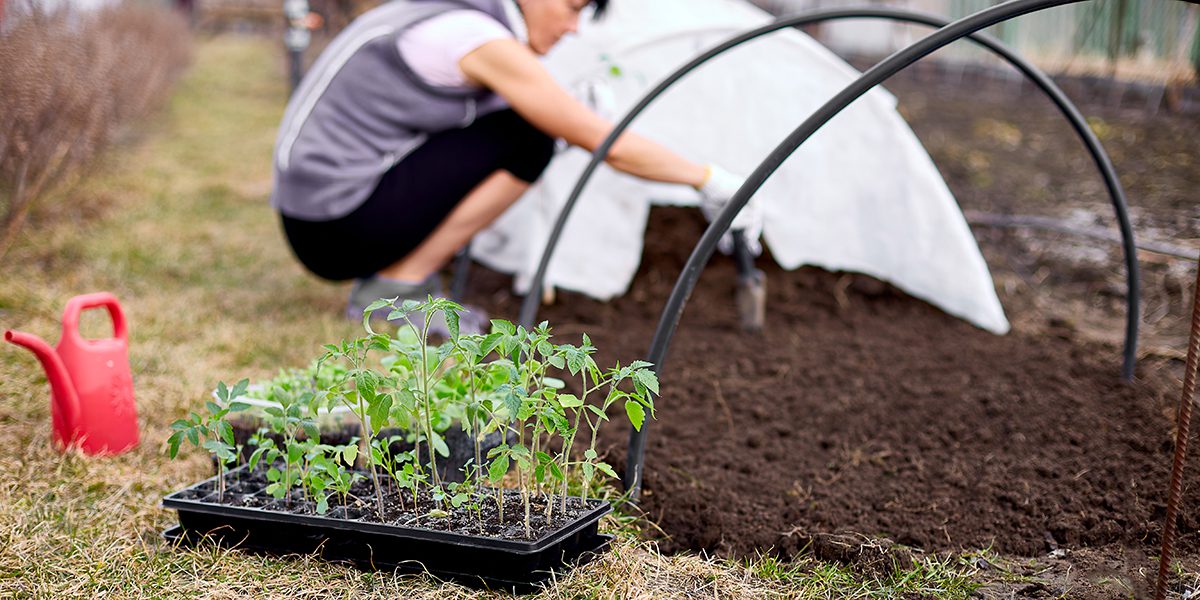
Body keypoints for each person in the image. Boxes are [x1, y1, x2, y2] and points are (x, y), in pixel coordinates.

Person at [270, 0, 762, 328]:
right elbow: (605, 143)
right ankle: (395, 292)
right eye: (572, 8)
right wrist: (707, 178)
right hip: (333, 226)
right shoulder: (476, 36)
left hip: (319, 213)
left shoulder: (457, 16)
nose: (573, 28)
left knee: (527, 128)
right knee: (530, 138)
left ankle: (394, 282)